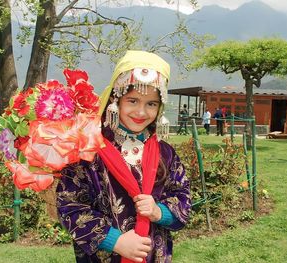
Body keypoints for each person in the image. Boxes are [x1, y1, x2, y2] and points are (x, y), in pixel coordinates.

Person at [56, 50, 191, 263]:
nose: (141, 112)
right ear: (115, 100)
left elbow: (183, 197)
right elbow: (70, 206)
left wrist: (159, 212)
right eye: (133, 100)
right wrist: (116, 241)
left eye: (151, 104)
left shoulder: (166, 153)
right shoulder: (88, 149)